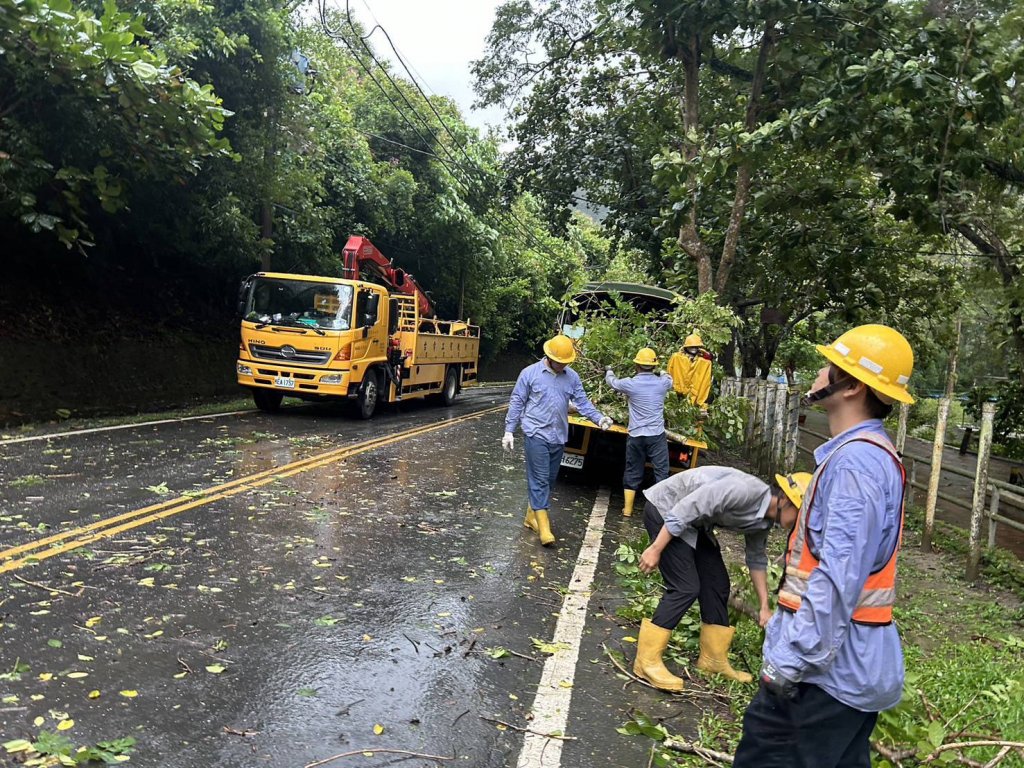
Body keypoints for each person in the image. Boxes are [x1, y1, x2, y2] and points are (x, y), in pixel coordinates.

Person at [732, 324, 915, 768]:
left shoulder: (856, 466)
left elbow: (838, 578)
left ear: (851, 385)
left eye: (829, 366)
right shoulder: (864, 456)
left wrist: (789, 664)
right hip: (847, 674)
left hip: (821, 681)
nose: (818, 373)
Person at [634, 467, 811, 691]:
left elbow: (756, 559)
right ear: (785, 499)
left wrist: (765, 606)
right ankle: (646, 661)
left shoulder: (765, 520)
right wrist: (655, 549)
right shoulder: (743, 491)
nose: (801, 523)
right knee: (685, 587)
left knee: (717, 584)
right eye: (801, 513)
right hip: (667, 510)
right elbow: (684, 510)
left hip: (696, 524)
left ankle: (712, 660)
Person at [503, 334, 612, 546]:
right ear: (549, 357)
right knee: (540, 479)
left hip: (558, 436)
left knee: (550, 480)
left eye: (566, 363)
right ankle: (544, 529)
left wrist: (600, 419)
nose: (563, 366)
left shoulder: (572, 378)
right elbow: (517, 402)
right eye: (560, 362)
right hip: (536, 434)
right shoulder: (530, 374)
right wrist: (509, 430)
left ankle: (530, 517)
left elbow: (582, 403)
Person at [604, 347, 674, 516]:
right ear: (654, 366)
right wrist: (664, 372)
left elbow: (612, 382)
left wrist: (609, 370)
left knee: (633, 470)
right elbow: (669, 379)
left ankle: (627, 509)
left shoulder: (630, 383)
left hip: (636, 435)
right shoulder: (662, 383)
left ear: (637, 365)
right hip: (656, 436)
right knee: (661, 471)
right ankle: (661, 512)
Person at [667, 332, 713, 407]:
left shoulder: (704, 362)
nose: (694, 348)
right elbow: (669, 374)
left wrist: (700, 402)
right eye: (691, 346)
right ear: (686, 347)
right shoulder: (677, 358)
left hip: (694, 398)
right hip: (677, 394)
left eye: (696, 347)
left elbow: (705, 383)